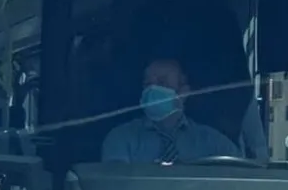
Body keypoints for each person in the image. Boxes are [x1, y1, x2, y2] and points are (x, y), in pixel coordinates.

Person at [102, 58, 240, 163]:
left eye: (162, 83)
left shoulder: (215, 145)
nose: (151, 90)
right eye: (147, 84)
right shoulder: (121, 140)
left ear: (184, 92)